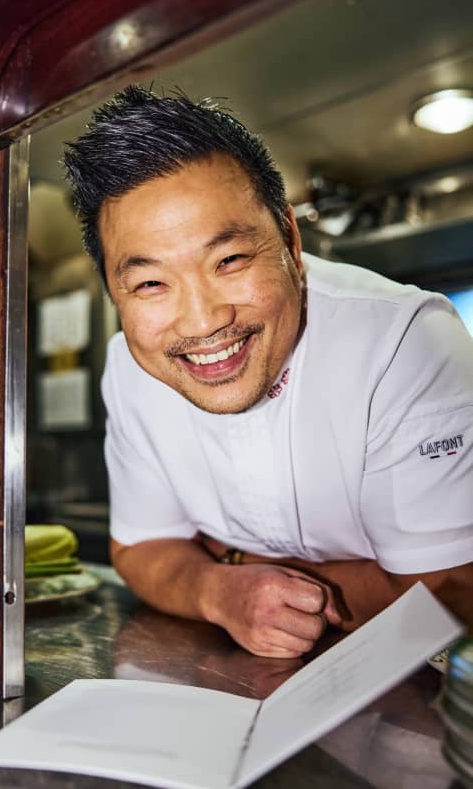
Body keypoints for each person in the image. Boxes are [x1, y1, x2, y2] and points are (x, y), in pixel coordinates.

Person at [63, 86, 473, 659]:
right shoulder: (133, 370)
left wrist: (232, 555)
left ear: (290, 239)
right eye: (151, 283)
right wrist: (218, 589)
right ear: (114, 290)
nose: (203, 321)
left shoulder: (401, 339)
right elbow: (140, 548)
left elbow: (448, 592)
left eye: (228, 261)